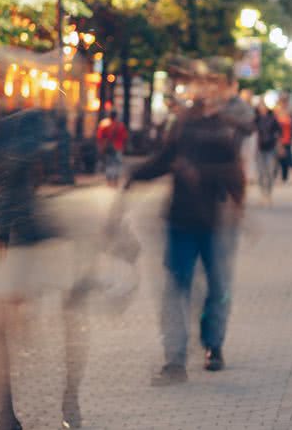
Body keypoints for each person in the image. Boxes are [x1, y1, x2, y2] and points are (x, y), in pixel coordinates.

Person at [0, 108, 90, 430]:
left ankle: (63, 400)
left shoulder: (17, 126)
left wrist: (1, 234)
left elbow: (16, 182)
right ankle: (7, 413)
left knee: (18, 327)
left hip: (21, 243)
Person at [126, 88, 244, 385]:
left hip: (213, 221)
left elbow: (233, 173)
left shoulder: (221, 132)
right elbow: (163, 160)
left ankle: (213, 345)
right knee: (177, 288)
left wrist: (204, 177)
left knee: (216, 288)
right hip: (180, 221)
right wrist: (135, 174)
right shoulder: (180, 128)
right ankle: (175, 359)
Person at [254, 102, 282, 206]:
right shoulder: (256, 119)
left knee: (270, 172)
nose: (262, 109)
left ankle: (269, 194)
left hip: (271, 148)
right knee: (261, 173)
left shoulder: (272, 118)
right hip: (260, 149)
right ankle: (262, 195)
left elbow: (279, 131)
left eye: (264, 107)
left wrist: (278, 143)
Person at [96, 110, 128, 187]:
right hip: (118, 147)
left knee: (109, 163)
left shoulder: (104, 125)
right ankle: (115, 180)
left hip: (108, 147)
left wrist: (101, 146)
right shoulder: (120, 125)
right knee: (117, 164)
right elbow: (125, 137)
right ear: (116, 116)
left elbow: (99, 137)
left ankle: (109, 180)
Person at [274, 96, 292, 183]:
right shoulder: (275, 113)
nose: (282, 105)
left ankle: (284, 177)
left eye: (284, 103)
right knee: (276, 158)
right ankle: (274, 175)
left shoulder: (289, 114)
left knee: (285, 159)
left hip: (287, 139)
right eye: (281, 103)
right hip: (278, 140)